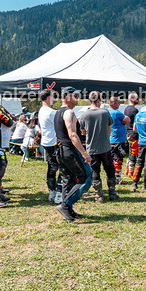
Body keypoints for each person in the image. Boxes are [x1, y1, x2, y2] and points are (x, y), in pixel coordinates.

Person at [54, 90, 93, 221]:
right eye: (75, 96)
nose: (78, 98)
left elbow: (56, 134)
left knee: (68, 180)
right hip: (69, 150)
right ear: (67, 97)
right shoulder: (68, 112)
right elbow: (72, 135)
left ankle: (68, 210)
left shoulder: (57, 112)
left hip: (60, 150)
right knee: (85, 178)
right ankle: (65, 205)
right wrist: (84, 153)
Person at [81, 91, 118, 202]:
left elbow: (83, 132)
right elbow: (109, 128)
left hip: (91, 148)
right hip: (105, 147)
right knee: (110, 170)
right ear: (98, 100)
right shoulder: (105, 113)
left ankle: (98, 196)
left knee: (95, 171)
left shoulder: (84, 115)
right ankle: (112, 193)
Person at [38, 89, 62, 203]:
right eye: (53, 96)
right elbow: (59, 126)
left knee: (51, 167)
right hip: (54, 142)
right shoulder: (51, 112)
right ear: (48, 98)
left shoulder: (41, 110)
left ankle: (52, 192)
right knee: (62, 167)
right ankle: (58, 192)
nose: (54, 99)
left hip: (46, 142)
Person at [108, 96, 131, 186]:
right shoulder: (117, 113)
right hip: (118, 140)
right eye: (118, 103)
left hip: (110, 139)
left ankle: (113, 176)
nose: (119, 104)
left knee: (112, 159)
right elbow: (127, 120)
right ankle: (117, 178)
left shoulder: (106, 112)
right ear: (114, 103)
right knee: (118, 159)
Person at [122, 92, 141, 180]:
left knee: (130, 153)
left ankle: (127, 171)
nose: (139, 100)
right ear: (133, 99)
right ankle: (131, 173)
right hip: (134, 134)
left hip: (128, 133)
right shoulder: (134, 110)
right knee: (134, 153)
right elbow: (136, 124)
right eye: (137, 98)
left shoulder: (126, 109)